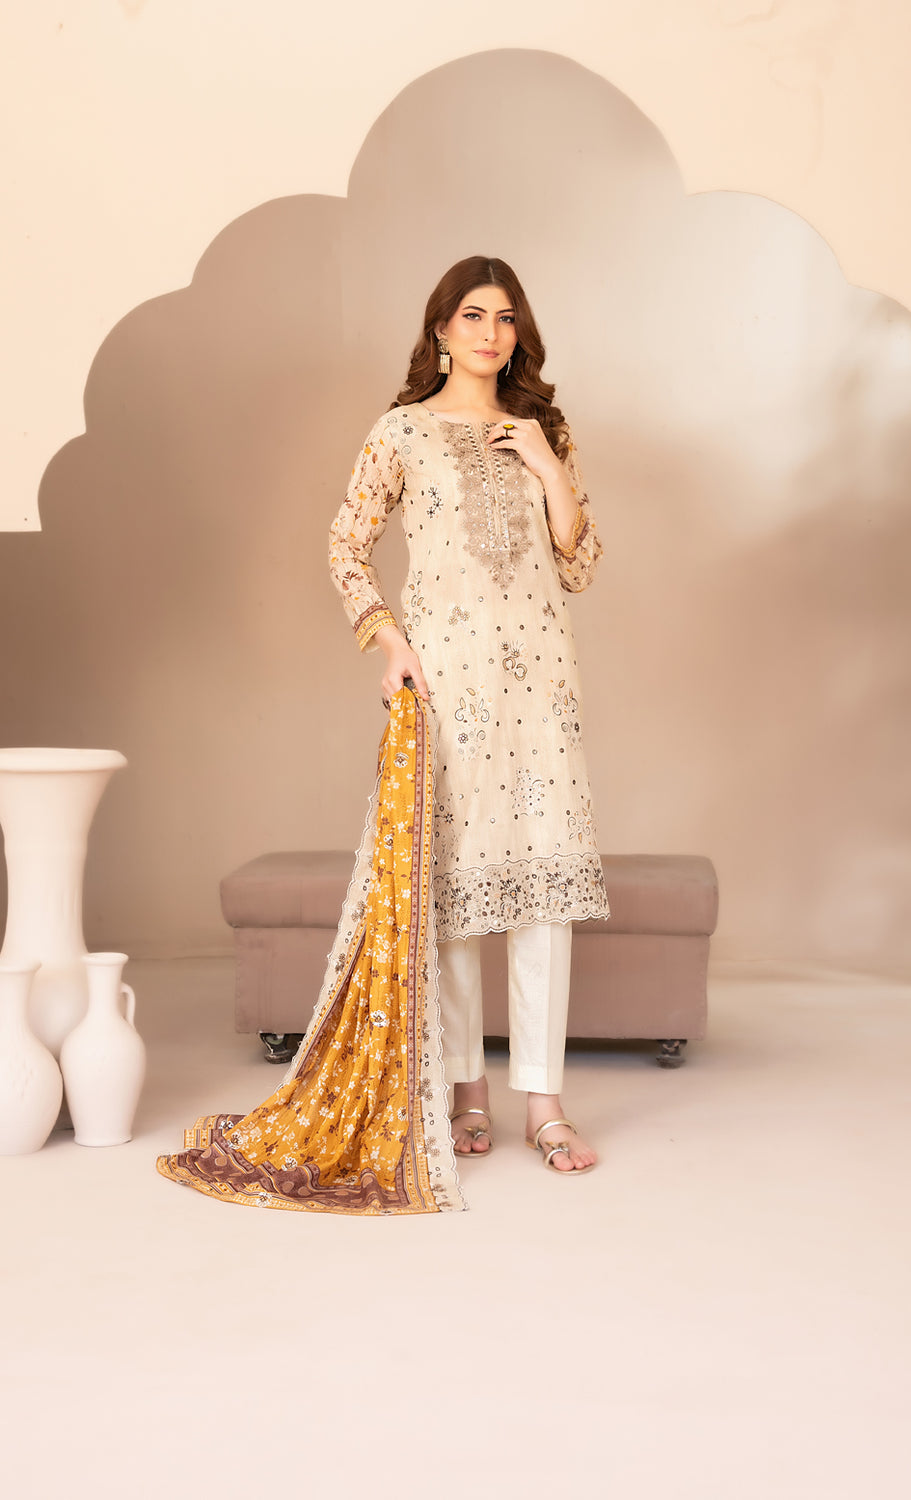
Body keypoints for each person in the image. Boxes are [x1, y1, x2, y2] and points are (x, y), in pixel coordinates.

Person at [329, 255, 609, 1174]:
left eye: (506, 317)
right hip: (449, 686)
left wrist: (544, 463)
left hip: (542, 686)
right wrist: (390, 645)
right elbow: (346, 545)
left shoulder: (542, 430)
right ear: (442, 329)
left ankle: (545, 1103)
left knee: (544, 889)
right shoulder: (402, 431)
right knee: (451, 888)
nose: (492, 333)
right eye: (474, 315)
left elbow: (579, 563)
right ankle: (466, 1090)